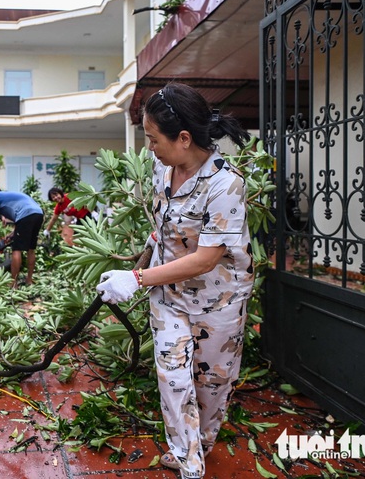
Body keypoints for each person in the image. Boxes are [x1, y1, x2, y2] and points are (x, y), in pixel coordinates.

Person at [96, 82, 254, 479]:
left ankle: (199, 445)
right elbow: (165, 223)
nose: (149, 147)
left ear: (183, 138)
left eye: (153, 139)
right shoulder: (161, 168)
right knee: (173, 379)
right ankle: (189, 463)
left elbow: (206, 258)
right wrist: (147, 253)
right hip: (169, 297)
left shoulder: (225, 185)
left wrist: (136, 278)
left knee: (212, 388)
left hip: (220, 302)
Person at [0, 188, 43, 288]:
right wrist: (12, 234)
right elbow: (20, 220)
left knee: (16, 250)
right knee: (31, 249)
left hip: (25, 215)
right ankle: (29, 280)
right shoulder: (12, 196)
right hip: (39, 214)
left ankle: (13, 283)